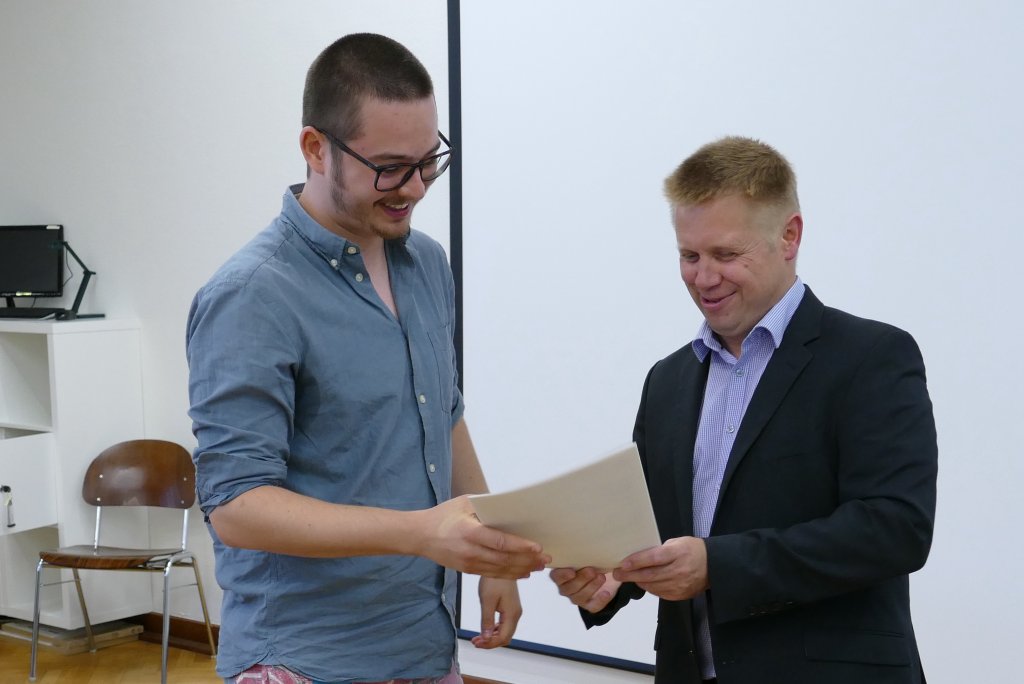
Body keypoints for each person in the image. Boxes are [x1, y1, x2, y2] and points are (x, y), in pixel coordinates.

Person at [186, 33, 548, 684]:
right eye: (389, 167)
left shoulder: (426, 263)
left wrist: (492, 545)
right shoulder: (252, 295)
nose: (415, 187)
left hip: (422, 645)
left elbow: (445, 416)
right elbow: (237, 505)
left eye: (428, 161)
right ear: (315, 148)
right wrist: (421, 532)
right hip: (304, 660)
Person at [551, 136, 937, 684]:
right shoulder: (667, 381)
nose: (703, 278)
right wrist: (613, 579)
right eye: (689, 256)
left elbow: (895, 528)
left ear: (789, 236)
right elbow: (655, 528)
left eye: (726, 255)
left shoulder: (872, 357)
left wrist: (717, 565)